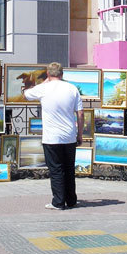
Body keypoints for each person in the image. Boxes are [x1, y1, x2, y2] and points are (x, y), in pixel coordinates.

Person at [23, 62, 84, 210]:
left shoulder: (44, 88)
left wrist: (44, 82)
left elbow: (26, 94)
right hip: (69, 135)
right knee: (69, 169)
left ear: (48, 74)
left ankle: (58, 202)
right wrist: (79, 134)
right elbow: (80, 113)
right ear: (62, 74)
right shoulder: (72, 88)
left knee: (56, 169)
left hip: (51, 137)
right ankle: (71, 200)